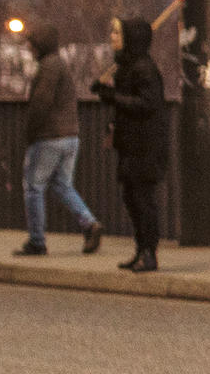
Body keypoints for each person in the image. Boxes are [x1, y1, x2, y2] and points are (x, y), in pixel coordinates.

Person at [14, 26, 101, 257]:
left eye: (31, 43)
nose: (29, 48)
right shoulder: (60, 64)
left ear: (40, 45)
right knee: (62, 184)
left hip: (49, 137)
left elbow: (40, 104)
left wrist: (29, 133)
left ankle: (37, 241)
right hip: (70, 136)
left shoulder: (48, 67)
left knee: (33, 187)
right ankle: (89, 224)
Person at [92, 17, 168, 272]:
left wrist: (114, 96)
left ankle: (149, 252)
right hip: (131, 144)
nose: (112, 36)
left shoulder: (144, 68)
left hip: (145, 146)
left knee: (143, 200)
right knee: (132, 198)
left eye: (116, 32)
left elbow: (147, 103)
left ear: (130, 37)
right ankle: (140, 250)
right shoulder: (127, 67)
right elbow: (128, 102)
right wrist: (109, 96)